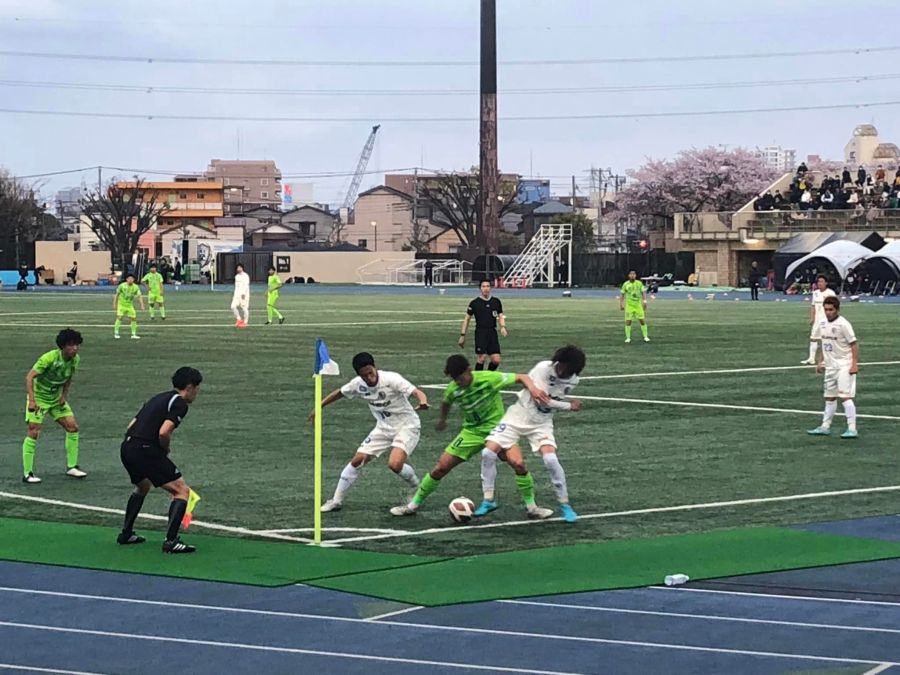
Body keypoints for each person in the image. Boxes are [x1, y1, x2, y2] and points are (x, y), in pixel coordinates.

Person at [389, 354, 551, 517]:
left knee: (519, 463)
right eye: (455, 379)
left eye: (460, 378)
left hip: (499, 430)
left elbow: (522, 377)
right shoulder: (453, 389)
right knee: (441, 468)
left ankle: (532, 508)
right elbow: (446, 403)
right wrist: (442, 420)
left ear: (469, 370)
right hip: (472, 432)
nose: (458, 382)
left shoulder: (488, 378)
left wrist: (534, 390)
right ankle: (412, 506)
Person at [477, 346, 586, 523]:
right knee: (488, 452)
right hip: (517, 416)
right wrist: (569, 406)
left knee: (551, 460)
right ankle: (488, 500)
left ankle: (565, 504)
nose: (562, 370)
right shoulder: (544, 368)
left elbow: (548, 402)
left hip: (541, 423)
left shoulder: (573, 380)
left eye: (567, 369)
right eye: (561, 365)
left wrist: (562, 404)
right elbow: (541, 399)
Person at [312, 352, 428, 512]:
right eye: (364, 375)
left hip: (407, 426)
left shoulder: (391, 379)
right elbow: (340, 393)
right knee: (357, 461)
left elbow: (416, 391)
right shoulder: (357, 384)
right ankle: (336, 501)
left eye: (370, 373)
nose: (369, 378)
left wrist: (423, 401)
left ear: (375, 367)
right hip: (383, 427)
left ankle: (416, 486)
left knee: (394, 464)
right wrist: (319, 406)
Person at [117, 367, 203, 553]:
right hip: (145, 450)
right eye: (197, 388)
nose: (197, 392)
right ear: (189, 387)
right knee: (181, 490)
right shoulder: (179, 403)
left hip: (127, 447)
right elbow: (164, 432)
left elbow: (131, 424)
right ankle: (171, 541)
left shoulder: (158, 398)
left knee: (143, 486)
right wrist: (163, 449)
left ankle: (126, 533)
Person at [22, 328, 87, 483]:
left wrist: (63, 396)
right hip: (39, 399)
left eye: (77, 345)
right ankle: (27, 473)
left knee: (72, 427)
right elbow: (30, 377)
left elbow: (68, 377)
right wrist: (32, 400)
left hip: (56, 399)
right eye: (71, 345)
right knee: (33, 431)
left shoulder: (75, 360)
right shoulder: (49, 358)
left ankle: (72, 467)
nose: (75, 348)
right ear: (63, 346)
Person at [807, 297, 859, 439]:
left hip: (844, 365)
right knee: (829, 397)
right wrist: (820, 361)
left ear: (837, 310)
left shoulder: (844, 324)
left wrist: (854, 364)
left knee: (845, 396)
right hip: (830, 366)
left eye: (831, 310)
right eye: (826, 310)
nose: (828, 312)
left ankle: (852, 428)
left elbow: (854, 344)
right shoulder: (822, 323)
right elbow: (825, 344)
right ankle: (825, 426)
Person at [459, 280, 507, 370]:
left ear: (490, 288)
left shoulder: (496, 301)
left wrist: (502, 327)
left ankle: (488, 375)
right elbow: (467, 319)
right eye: (483, 286)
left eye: (488, 286)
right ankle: (478, 378)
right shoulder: (475, 303)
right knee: (482, 358)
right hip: (481, 332)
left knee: (496, 360)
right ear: (480, 288)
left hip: (492, 332)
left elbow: (500, 315)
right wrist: (462, 335)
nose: (486, 289)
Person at [801, 275, 837, 365]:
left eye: (821, 281)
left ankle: (826, 359)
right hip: (817, 320)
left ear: (826, 283)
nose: (820, 283)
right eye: (818, 282)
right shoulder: (815, 293)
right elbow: (813, 306)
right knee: (813, 338)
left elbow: (835, 306)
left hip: (827, 320)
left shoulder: (830, 293)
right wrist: (812, 318)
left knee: (826, 339)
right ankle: (811, 359)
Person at [619, 270, 649, 343]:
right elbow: (622, 294)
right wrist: (621, 304)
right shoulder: (625, 284)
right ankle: (628, 338)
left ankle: (645, 336)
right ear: (629, 275)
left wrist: (645, 301)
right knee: (628, 321)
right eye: (631, 274)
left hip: (638, 305)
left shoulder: (639, 283)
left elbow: (643, 292)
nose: (632, 276)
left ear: (635, 276)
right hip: (629, 306)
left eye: (634, 274)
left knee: (642, 320)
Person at [114, 273, 145, 340]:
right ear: (126, 279)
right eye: (129, 278)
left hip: (130, 305)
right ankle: (116, 333)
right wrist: (114, 303)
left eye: (132, 279)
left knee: (133, 318)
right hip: (121, 305)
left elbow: (139, 296)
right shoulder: (122, 286)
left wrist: (142, 305)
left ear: (133, 280)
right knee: (119, 317)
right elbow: (117, 294)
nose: (130, 280)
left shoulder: (136, 287)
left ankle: (133, 334)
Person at [231, 263, 250, 328]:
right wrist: (235, 294)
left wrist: (244, 293)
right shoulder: (236, 276)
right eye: (237, 268)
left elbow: (246, 285)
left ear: (242, 268)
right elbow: (236, 287)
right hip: (237, 294)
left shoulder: (246, 276)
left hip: (244, 294)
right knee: (233, 306)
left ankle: (245, 322)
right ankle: (239, 319)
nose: (238, 269)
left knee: (244, 308)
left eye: (240, 267)